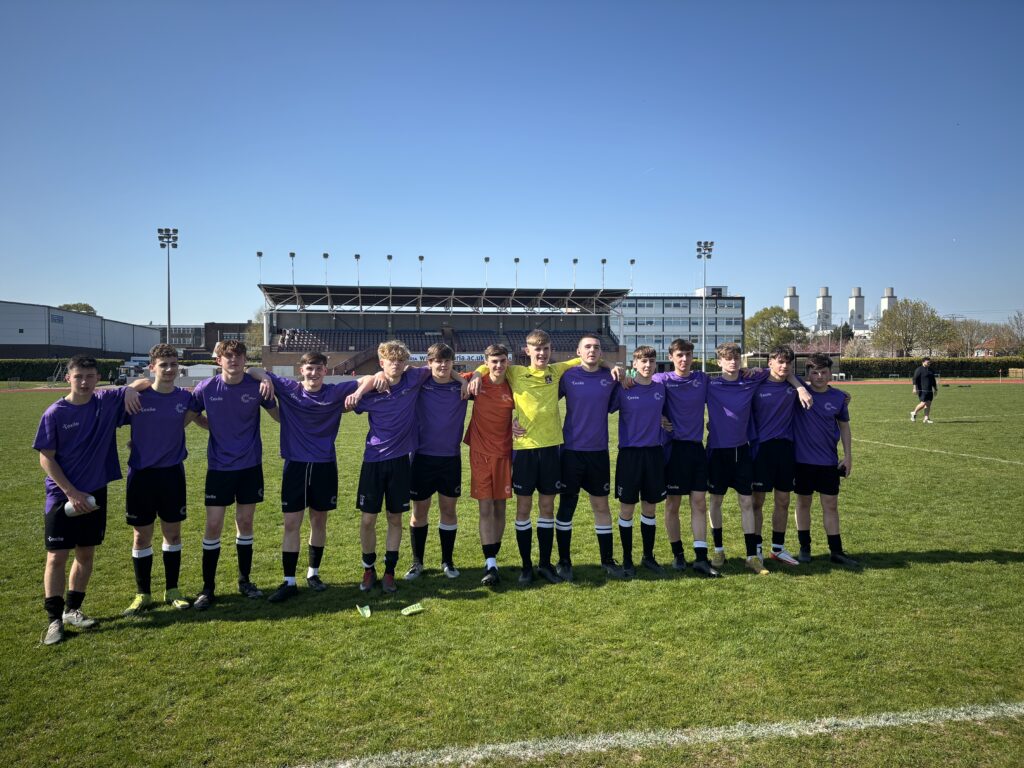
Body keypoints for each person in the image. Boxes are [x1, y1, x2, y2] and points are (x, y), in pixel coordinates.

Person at [247, 353, 374, 603]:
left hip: (325, 465)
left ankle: (313, 574)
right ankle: (289, 581)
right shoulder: (289, 388)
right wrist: (264, 378)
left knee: (318, 521)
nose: (313, 373)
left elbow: (371, 377)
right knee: (292, 523)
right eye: (309, 368)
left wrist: (358, 394)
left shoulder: (334, 393)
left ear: (325, 371)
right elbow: (252, 369)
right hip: (295, 464)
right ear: (300, 370)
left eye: (318, 369)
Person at [33, 354, 141, 645]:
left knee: (86, 553)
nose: (84, 382)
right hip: (62, 496)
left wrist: (131, 388)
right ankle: (54, 620)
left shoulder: (105, 403)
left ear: (98, 378)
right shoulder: (55, 413)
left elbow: (142, 384)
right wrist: (71, 492)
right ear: (68, 378)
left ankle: (73, 609)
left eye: (90, 376)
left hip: (95, 493)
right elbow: (47, 459)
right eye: (78, 376)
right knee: (56, 556)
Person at [468, 329, 586, 585]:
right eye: (536, 349)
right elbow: (489, 364)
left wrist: (613, 365)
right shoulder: (514, 372)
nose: (541, 354)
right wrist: (478, 373)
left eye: (545, 349)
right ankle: (525, 566)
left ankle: (544, 564)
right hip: (523, 450)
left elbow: (585, 359)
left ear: (550, 350)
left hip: (551, 448)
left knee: (546, 508)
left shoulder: (556, 371)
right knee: (523, 508)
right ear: (527, 351)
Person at [706, 342, 811, 575]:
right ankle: (718, 549)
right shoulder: (709, 384)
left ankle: (752, 556)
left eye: (736, 358)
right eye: (727, 358)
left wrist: (801, 388)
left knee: (746, 502)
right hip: (717, 451)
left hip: (743, 450)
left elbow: (783, 371)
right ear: (719, 361)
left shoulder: (751, 380)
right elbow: (679, 392)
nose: (732, 362)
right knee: (715, 502)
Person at [188, 340, 278, 610]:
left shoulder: (256, 387)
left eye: (239, 356)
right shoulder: (206, 388)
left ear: (245, 360)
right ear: (219, 361)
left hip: (250, 466)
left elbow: (280, 417)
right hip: (219, 468)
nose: (234, 360)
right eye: (229, 357)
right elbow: (187, 415)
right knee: (213, 525)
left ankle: (245, 581)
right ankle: (207, 588)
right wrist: (208, 425)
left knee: (245, 521)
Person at [121, 344, 205, 615]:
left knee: (173, 533)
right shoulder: (137, 397)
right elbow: (106, 408)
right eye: (164, 364)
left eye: (173, 364)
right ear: (152, 367)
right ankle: (142, 593)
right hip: (141, 475)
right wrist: (131, 388)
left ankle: (172, 590)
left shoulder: (185, 398)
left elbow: (198, 416)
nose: (169, 370)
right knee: (141, 535)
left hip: (172, 474)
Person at [350, 340, 430, 594]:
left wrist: (463, 381)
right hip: (373, 461)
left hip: (400, 462)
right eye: (390, 360)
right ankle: (368, 568)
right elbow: (351, 396)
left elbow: (439, 366)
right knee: (367, 520)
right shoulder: (370, 391)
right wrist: (370, 381)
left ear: (405, 364)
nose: (395, 364)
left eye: (400, 361)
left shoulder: (413, 379)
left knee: (395, 518)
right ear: (381, 362)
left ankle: (389, 572)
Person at [555, 334, 622, 580]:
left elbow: (634, 382)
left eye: (596, 347)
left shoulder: (610, 377)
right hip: (571, 451)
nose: (592, 350)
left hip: (598, 453)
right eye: (587, 347)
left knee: (601, 506)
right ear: (578, 352)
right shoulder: (568, 377)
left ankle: (607, 560)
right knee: (567, 506)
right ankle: (563, 561)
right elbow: (544, 401)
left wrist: (617, 368)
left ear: (601, 353)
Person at [405, 343, 470, 581]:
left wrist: (462, 380)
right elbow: (401, 368)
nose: (442, 365)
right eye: (437, 361)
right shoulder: (419, 383)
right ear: (429, 362)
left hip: (450, 459)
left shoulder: (462, 387)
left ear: (453, 363)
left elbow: (486, 371)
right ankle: (417, 562)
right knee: (419, 511)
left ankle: (447, 561)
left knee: (448, 511)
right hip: (421, 458)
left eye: (447, 361)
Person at [654, 339, 718, 577]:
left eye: (688, 355)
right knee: (673, 504)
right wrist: (658, 415)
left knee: (699, 502)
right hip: (673, 450)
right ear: (671, 356)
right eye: (680, 355)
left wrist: (799, 385)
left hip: (696, 448)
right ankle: (678, 555)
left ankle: (701, 557)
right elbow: (638, 386)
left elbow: (733, 381)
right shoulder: (662, 380)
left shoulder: (701, 379)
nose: (684, 359)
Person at [792, 353, 859, 568]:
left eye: (823, 372)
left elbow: (844, 427)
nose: (819, 376)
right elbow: (781, 374)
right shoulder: (797, 393)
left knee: (830, 505)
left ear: (830, 373)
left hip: (828, 462)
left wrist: (848, 456)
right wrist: (800, 387)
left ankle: (836, 551)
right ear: (807, 374)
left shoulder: (839, 397)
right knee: (803, 503)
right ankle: (805, 547)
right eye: (814, 372)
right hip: (801, 461)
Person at [610, 346, 668, 577]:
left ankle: (648, 556)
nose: (647, 365)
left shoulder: (661, 389)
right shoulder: (624, 388)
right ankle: (626, 559)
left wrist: (665, 420)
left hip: (654, 453)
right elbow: (603, 408)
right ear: (634, 364)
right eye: (643, 361)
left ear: (655, 365)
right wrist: (619, 376)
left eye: (651, 361)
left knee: (650, 508)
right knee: (627, 509)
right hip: (630, 455)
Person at [462, 344, 516, 586]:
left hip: (505, 454)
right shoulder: (479, 380)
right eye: (493, 361)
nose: (498, 365)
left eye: (502, 361)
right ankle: (490, 562)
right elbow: (449, 373)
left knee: (501, 508)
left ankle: (495, 554)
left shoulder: (513, 384)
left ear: (508, 361)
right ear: (486, 362)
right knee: (485, 509)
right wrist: (473, 375)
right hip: (481, 454)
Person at [750, 346, 802, 567]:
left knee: (783, 500)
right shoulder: (757, 384)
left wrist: (843, 396)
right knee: (757, 501)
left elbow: (819, 388)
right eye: (779, 361)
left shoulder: (795, 385)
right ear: (769, 362)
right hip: (761, 450)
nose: (784, 366)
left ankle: (778, 549)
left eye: (788, 362)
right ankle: (757, 547)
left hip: (785, 450)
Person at [911, 357, 937, 423]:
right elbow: (914, 379)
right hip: (922, 390)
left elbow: (933, 380)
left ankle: (926, 418)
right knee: (923, 403)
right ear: (923, 362)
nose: (929, 363)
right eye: (928, 362)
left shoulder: (931, 370)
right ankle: (914, 412)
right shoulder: (919, 369)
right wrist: (914, 388)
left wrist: (935, 389)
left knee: (928, 404)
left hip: (929, 390)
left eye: (929, 362)